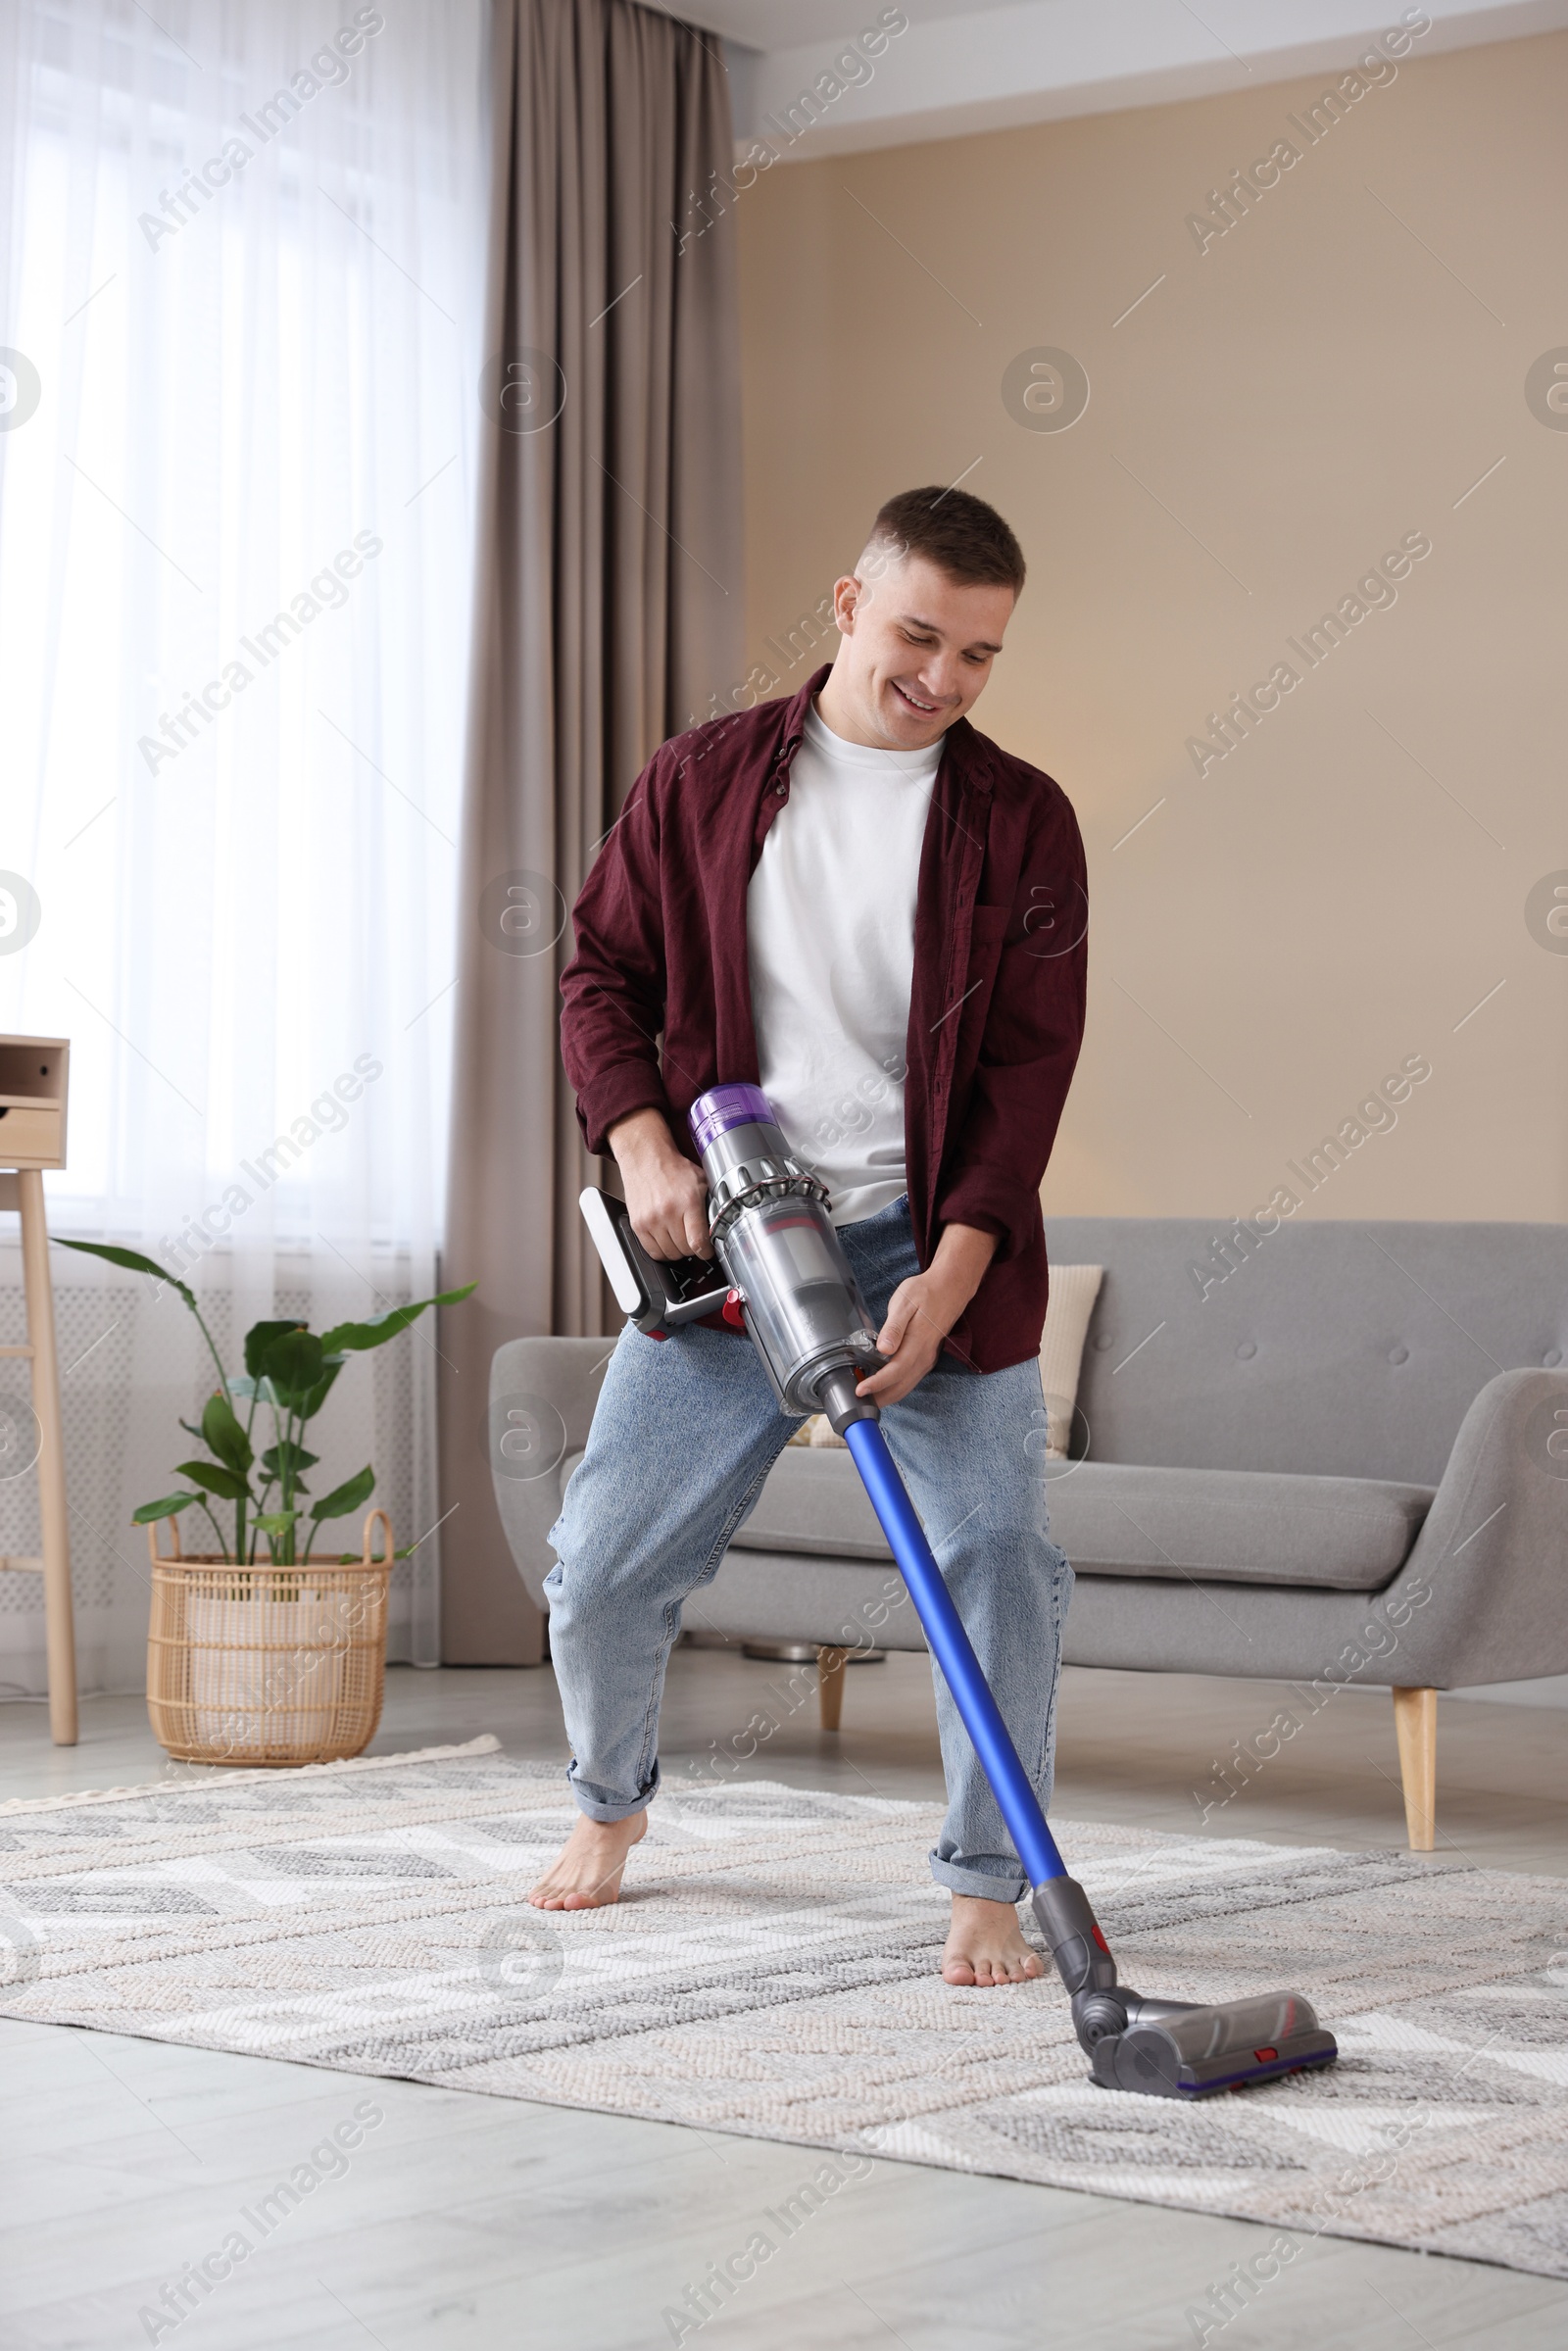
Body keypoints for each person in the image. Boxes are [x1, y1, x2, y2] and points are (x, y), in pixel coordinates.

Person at [529, 485, 1088, 1986]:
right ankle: (609, 1803)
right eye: (920, 635)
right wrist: (639, 1135)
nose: (944, 679)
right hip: (734, 1236)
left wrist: (956, 1272)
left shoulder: (1021, 819)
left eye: (980, 655)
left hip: (927, 1242)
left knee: (997, 1552)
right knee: (602, 1566)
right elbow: (601, 972)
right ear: (847, 604)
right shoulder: (703, 779)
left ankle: (990, 1877)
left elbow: (1029, 1072)